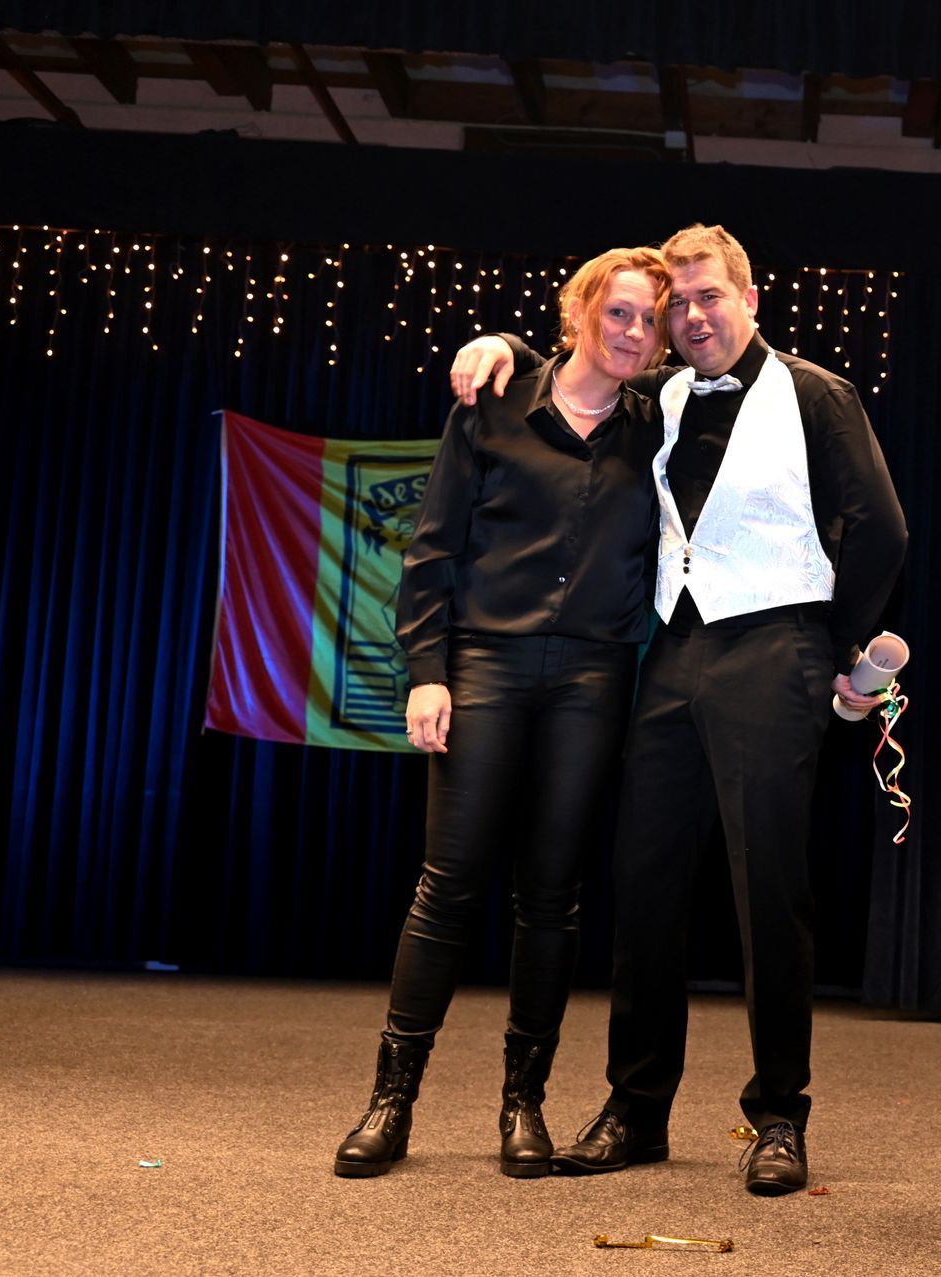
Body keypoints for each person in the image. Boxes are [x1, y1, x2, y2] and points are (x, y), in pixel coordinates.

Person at [453, 223, 908, 1196]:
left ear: (750, 298)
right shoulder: (655, 392)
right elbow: (577, 367)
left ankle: (779, 1113)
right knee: (645, 879)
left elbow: (881, 526)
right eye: (678, 305)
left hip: (776, 648)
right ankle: (636, 1106)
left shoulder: (818, 394)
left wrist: (835, 647)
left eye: (710, 297)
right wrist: (507, 347)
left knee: (767, 887)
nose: (692, 317)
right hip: (673, 652)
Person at [332, 246, 672, 1180]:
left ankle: (524, 1103)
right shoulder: (491, 405)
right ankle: (390, 1102)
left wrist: (507, 340)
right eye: (619, 312)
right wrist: (427, 670)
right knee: (448, 883)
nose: (634, 332)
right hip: (485, 661)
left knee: (553, 896)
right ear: (580, 311)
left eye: (649, 320)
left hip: (594, 677)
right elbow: (432, 547)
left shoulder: (659, 422)